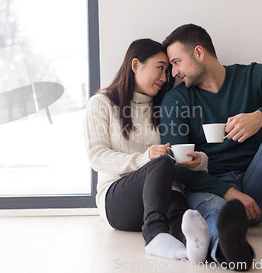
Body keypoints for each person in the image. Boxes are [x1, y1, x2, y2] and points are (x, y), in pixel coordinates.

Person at [160, 24, 262, 271]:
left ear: (199, 53)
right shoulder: (176, 100)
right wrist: (228, 192)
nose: (174, 72)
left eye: (177, 62)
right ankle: (229, 249)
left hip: (259, 186)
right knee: (216, 212)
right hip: (211, 187)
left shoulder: (253, 75)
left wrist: (259, 117)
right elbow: (176, 165)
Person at [84, 38, 210, 262]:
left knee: (178, 210)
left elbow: (187, 147)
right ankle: (154, 235)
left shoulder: (165, 106)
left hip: (165, 195)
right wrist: (145, 158)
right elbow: (96, 156)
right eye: (160, 68)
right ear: (135, 65)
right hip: (118, 201)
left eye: (168, 71)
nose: (165, 77)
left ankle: (192, 244)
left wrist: (199, 160)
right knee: (158, 164)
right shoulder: (101, 103)